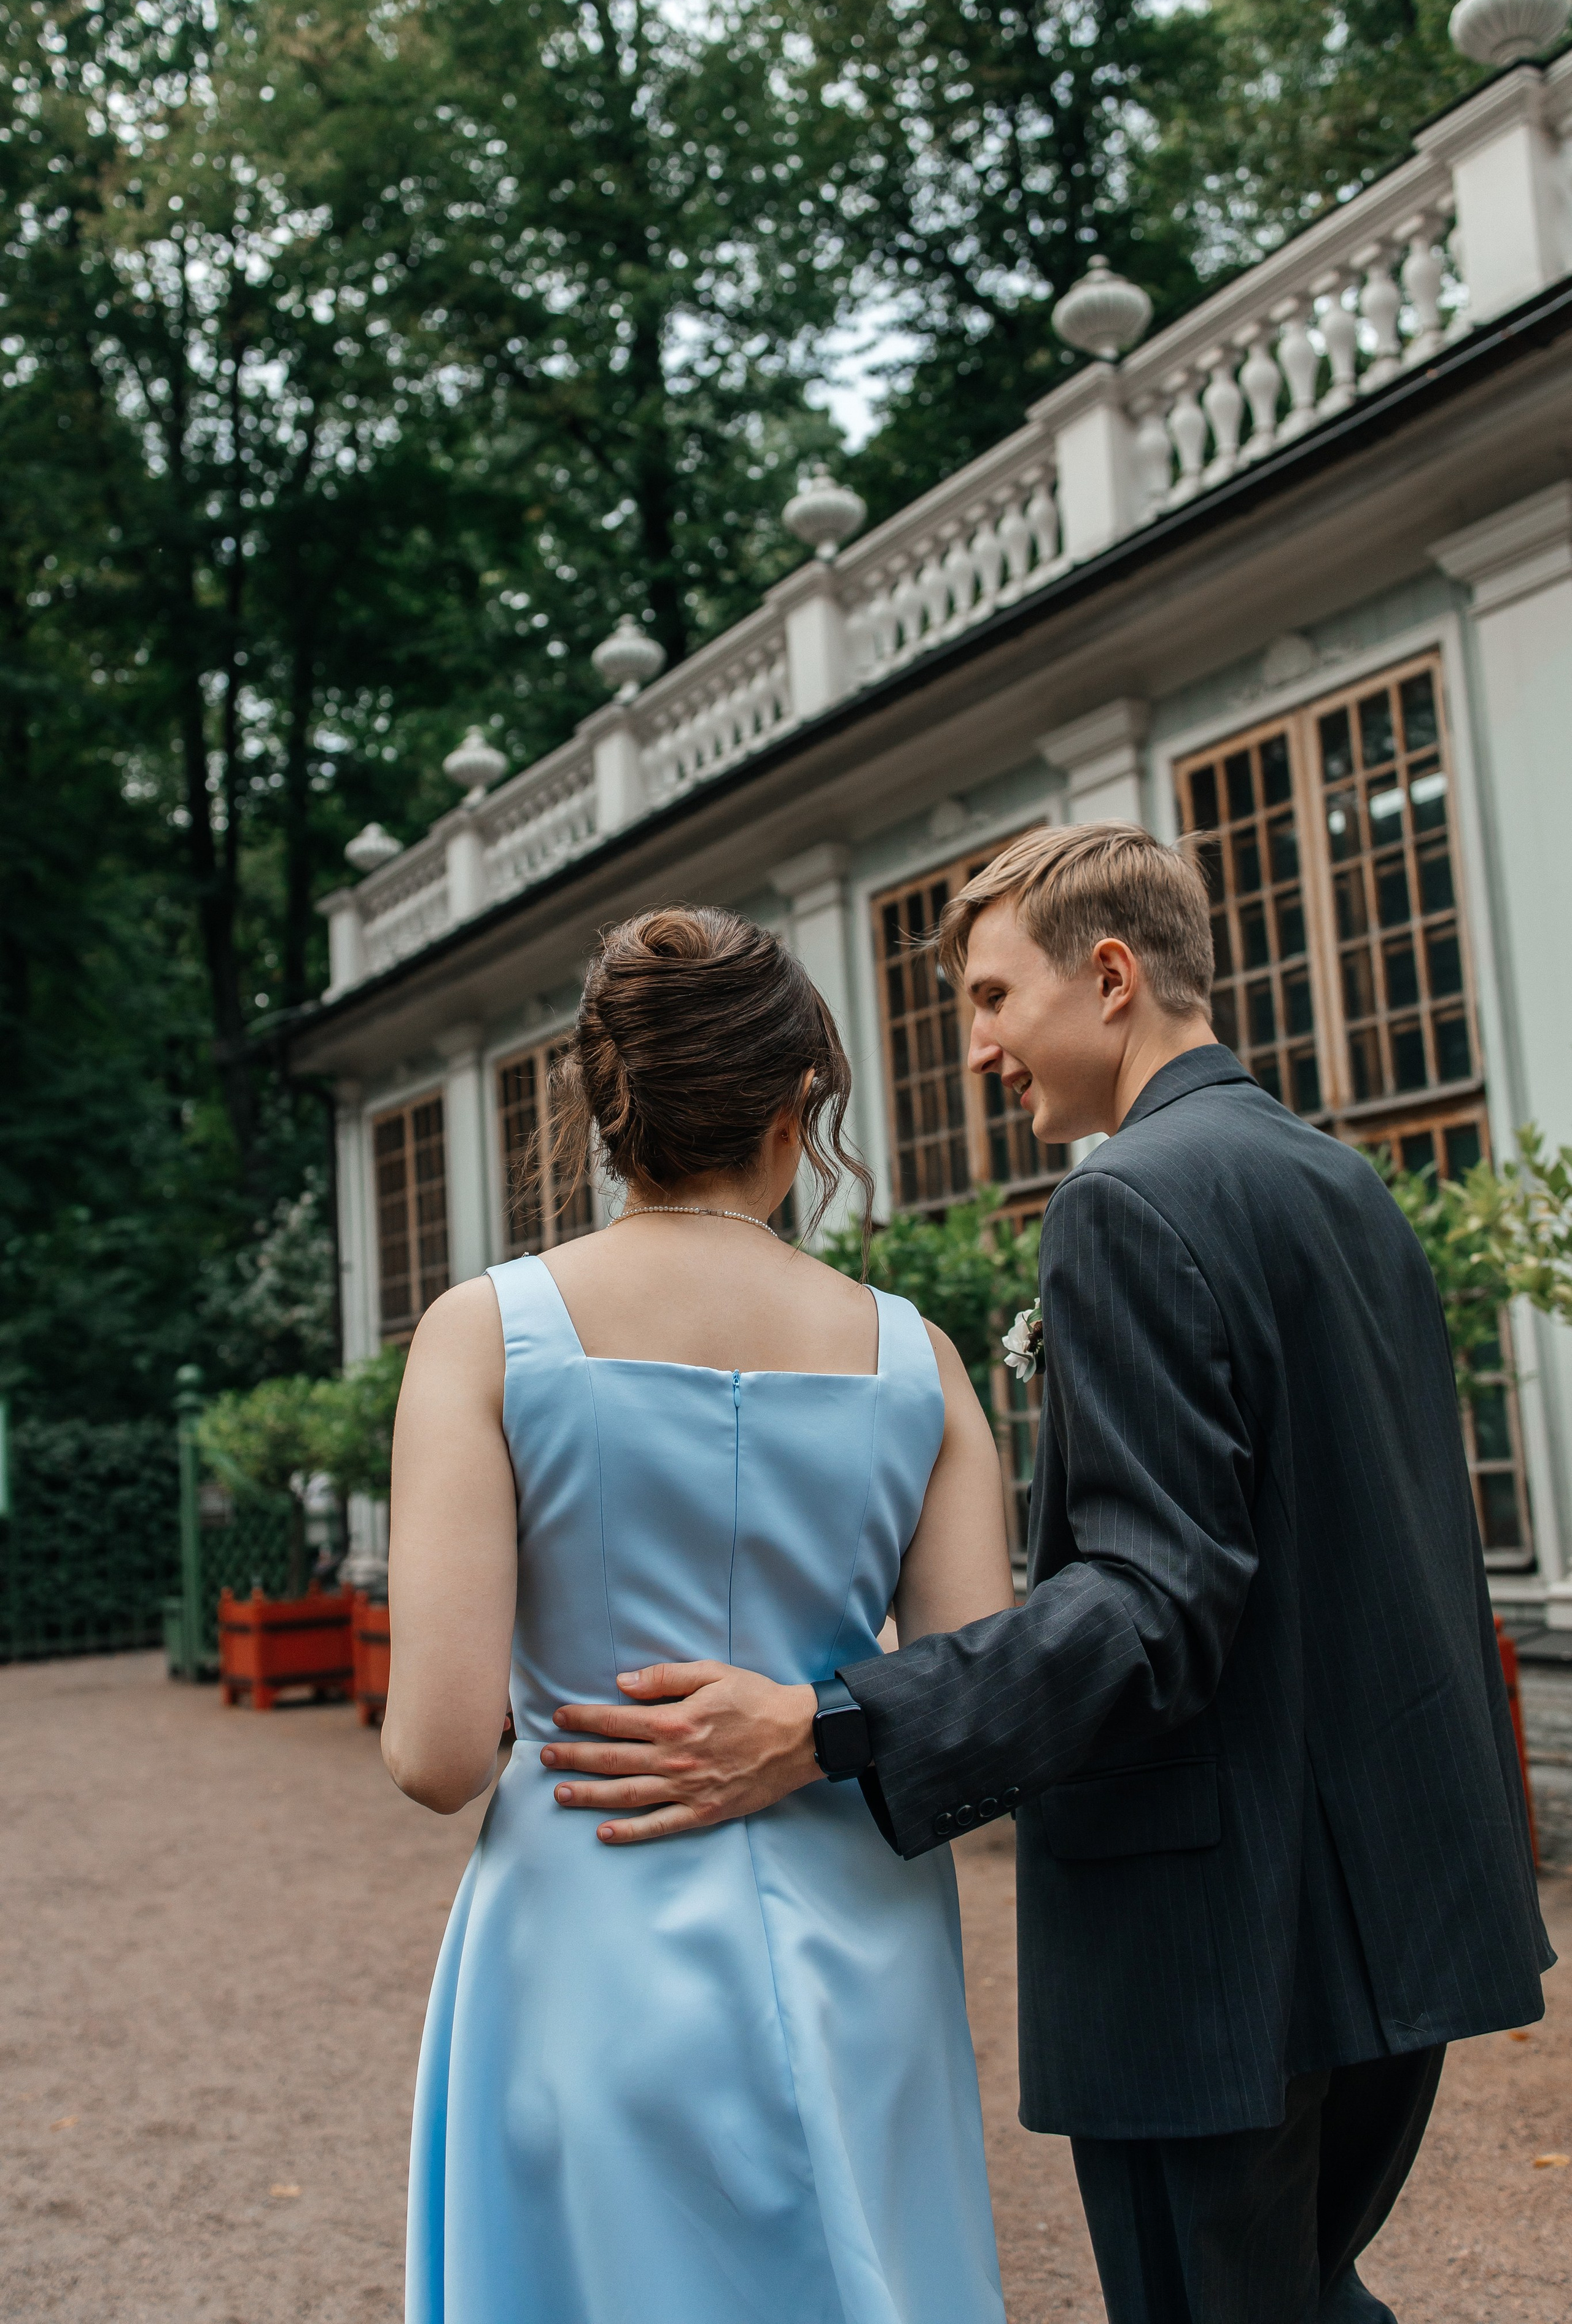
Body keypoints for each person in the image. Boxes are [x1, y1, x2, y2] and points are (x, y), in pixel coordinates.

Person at [546, 824, 1554, 2324]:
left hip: (1210, 1940)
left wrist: (827, 1726)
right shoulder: (1335, 1183)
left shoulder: (1124, 1201)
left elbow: (1153, 1607)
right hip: (1392, 1911)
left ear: (1107, 975)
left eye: (992, 999)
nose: (972, 1050)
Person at [381, 906, 1014, 2324]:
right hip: (861, 1942)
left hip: (583, 1930)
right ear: (799, 1110)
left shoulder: (484, 1333)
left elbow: (433, 1755)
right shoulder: (918, 1359)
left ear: (607, 1108)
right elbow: (977, 1714)